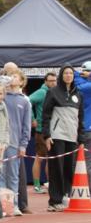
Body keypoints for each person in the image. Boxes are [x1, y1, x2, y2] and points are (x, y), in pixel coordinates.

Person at [42, 65, 84, 212]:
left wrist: (81, 139)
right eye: (65, 73)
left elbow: (80, 118)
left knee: (68, 168)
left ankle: (66, 196)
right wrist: (47, 135)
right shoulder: (53, 92)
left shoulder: (78, 95)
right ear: (61, 75)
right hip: (57, 136)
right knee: (56, 168)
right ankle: (54, 201)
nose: (68, 75)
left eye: (71, 73)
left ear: (73, 76)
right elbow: (45, 115)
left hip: (72, 137)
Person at [2, 68, 32, 216]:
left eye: (15, 76)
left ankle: (13, 205)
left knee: (13, 175)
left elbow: (27, 126)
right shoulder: (0, 96)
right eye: (10, 76)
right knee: (0, 174)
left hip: (14, 143)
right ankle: (2, 206)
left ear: (21, 81)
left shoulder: (25, 100)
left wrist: (23, 145)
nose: (11, 78)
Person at [29, 72, 57, 192]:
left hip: (53, 130)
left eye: (54, 80)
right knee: (39, 158)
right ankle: (36, 186)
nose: (53, 83)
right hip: (41, 130)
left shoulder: (55, 92)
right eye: (50, 81)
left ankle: (50, 184)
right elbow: (28, 101)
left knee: (51, 158)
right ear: (45, 81)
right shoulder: (41, 92)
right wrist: (32, 118)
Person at [73, 61, 91, 183]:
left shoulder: (79, 83)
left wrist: (80, 74)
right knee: (87, 163)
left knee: (76, 162)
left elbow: (72, 72)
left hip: (80, 129)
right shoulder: (87, 86)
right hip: (85, 129)